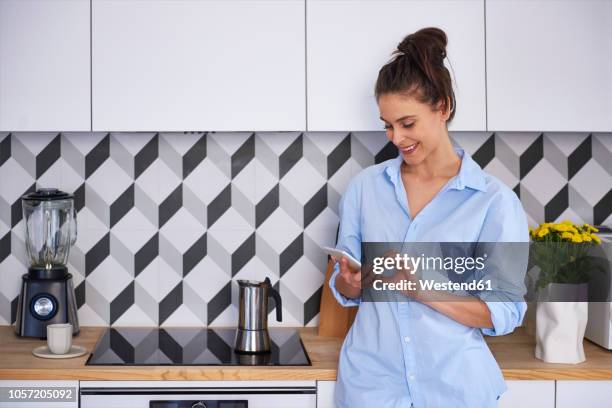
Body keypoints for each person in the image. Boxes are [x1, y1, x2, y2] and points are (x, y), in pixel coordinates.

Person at [328, 27, 529, 407]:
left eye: (407, 123)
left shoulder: (493, 203)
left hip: (455, 390)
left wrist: (422, 289)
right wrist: (351, 280)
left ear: (443, 107)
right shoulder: (365, 189)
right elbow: (347, 291)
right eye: (387, 125)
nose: (395, 138)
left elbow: (504, 311)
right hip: (372, 389)